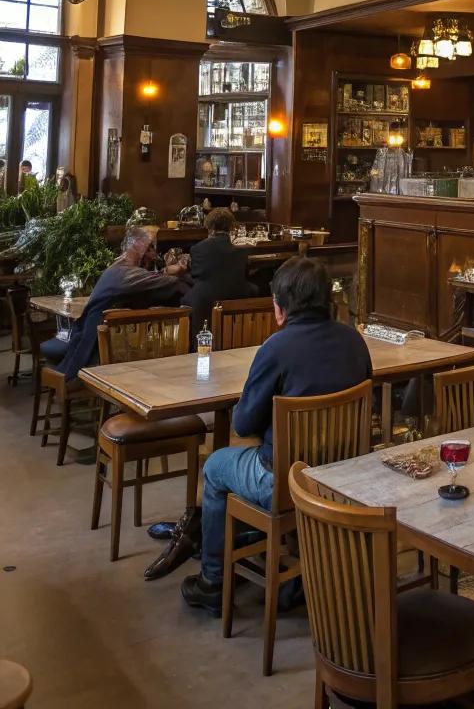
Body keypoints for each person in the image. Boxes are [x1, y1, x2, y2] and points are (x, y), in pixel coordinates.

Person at [180, 256, 372, 614]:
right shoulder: (354, 341)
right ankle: (276, 557)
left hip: (285, 480)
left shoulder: (276, 348)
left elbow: (243, 424)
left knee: (217, 466)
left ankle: (213, 580)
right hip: (342, 475)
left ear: (279, 308)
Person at [44, 224, 188, 383]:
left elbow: (150, 278)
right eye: (150, 248)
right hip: (95, 347)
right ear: (139, 248)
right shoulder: (125, 272)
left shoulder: (119, 266)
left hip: (90, 336)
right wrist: (177, 270)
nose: (154, 255)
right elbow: (167, 282)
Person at [182, 206, 256, 345]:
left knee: (186, 292)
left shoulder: (198, 248)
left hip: (206, 299)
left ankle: (192, 345)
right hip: (237, 293)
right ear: (230, 226)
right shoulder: (242, 249)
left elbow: (195, 274)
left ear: (209, 227)